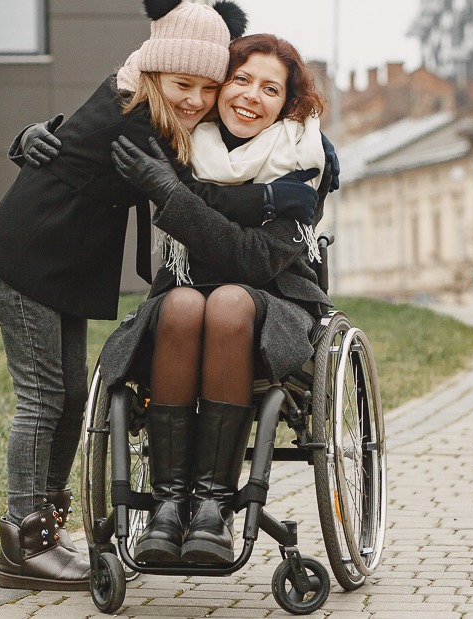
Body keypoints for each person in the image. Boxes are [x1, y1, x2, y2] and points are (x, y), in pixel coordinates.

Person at [0, 0, 310, 591]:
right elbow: (174, 185)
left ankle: (46, 531)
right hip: (25, 258)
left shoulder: (150, 103)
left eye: (210, 86)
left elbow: (92, 138)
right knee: (43, 399)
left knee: (71, 397)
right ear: (155, 71)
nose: (197, 100)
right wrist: (273, 202)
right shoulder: (139, 116)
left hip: (59, 266)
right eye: (184, 84)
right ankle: (23, 540)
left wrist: (43, 132)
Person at [95, 32, 337, 565]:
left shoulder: (303, 164)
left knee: (228, 300)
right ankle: (168, 504)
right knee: (182, 304)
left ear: (287, 103)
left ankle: (212, 507)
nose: (251, 95)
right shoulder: (180, 143)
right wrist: (39, 139)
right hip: (184, 300)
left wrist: (174, 198)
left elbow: (250, 260)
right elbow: (108, 123)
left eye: (270, 89)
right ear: (218, 86)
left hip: (273, 306)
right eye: (241, 79)